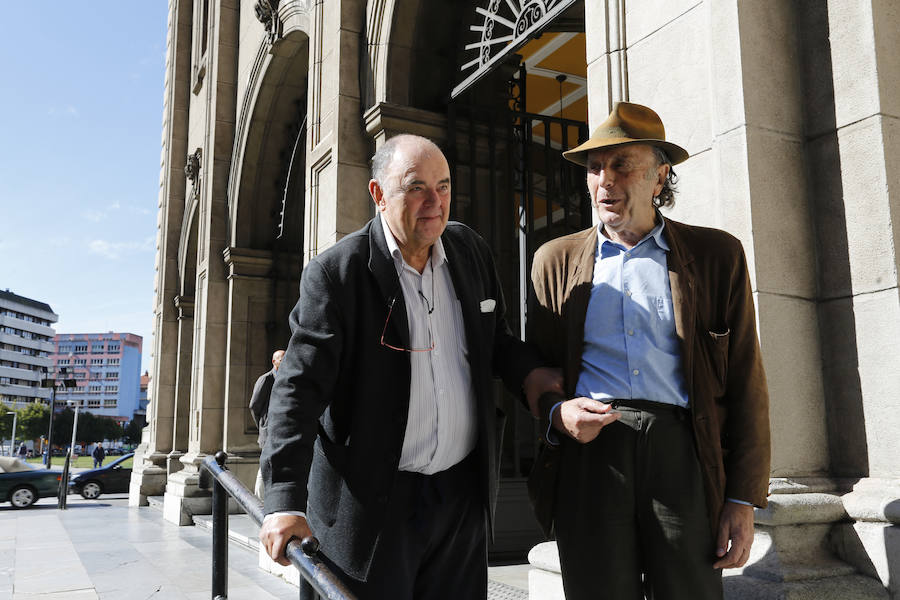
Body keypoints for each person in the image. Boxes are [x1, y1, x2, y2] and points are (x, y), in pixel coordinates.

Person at [258, 134, 561, 599]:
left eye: (443, 186)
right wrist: (283, 501)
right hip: (373, 507)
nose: (434, 202)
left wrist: (532, 376)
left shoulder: (470, 251)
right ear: (378, 194)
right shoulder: (337, 275)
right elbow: (297, 392)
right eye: (416, 187)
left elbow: (495, 341)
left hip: (461, 499)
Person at [527, 102, 771, 600]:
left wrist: (742, 498)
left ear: (660, 176)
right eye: (595, 168)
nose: (604, 180)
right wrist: (557, 412)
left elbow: (746, 381)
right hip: (592, 457)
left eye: (622, 165)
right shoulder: (553, 261)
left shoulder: (716, 256)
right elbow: (538, 372)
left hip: (682, 452)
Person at [249, 349, 285, 498]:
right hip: (268, 432)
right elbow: (254, 406)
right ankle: (259, 502)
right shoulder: (266, 379)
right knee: (264, 467)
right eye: (282, 359)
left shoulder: (287, 378)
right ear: (274, 361)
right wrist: (263, 426)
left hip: (282, 432)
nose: (285, 362)